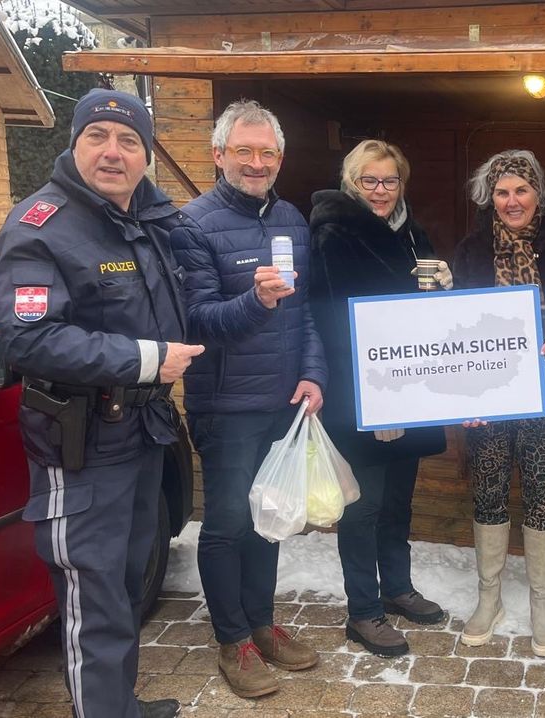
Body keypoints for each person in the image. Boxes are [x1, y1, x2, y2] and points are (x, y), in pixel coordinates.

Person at [0, 88, 202, 718]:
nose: (113, 152)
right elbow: (29, 339)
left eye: (129, 141)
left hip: (142, 430)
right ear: (74, 144)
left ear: (146, 155)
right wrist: (146, 360)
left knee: (130, 580)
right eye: (98, 137)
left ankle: (117, 704)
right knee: (93, 592)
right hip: (80, 441)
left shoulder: (143, 221)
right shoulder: (40, 227)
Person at [168, 100, 327, 698]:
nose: (256, 163)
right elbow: (197, 321)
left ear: (280, 158)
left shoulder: (291, 218)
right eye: (244, 151)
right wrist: (255, 303)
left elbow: (305, 310)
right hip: (227, 405)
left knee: (268, 520)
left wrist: (313, 374)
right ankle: (232, 640)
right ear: (219, 155)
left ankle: (261, 623)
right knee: (228, 523)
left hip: (282, 401)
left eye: (267, 153)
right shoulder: (192, 225)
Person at [452, 150, 545, 658]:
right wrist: (461, 391)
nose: (512, 200)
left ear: (538, 193)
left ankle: (541, 603)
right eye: (502, 192)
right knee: (488, 492)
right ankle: (489, 597)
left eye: (521, 190)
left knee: (542, 496)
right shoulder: (471, 252)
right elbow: (453, 329)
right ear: (489, 198)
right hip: (489, 398)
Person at [308, 140, 451, 658]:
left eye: (390, 180)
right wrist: (376, 402)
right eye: (369, 180)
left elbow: (424, 319)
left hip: (409, 388)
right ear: (351, 183)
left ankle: (397, 587)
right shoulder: (333, 234)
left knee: (397, 501)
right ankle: (363, 611)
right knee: (363, 506)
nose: (380, 190)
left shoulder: (412, 233)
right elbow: (332, 323)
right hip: (362, 394)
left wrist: (443, 290)